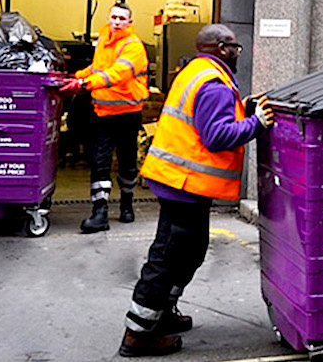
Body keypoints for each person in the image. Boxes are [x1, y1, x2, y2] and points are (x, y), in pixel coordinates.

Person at [117, 24, 274, 357]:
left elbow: (208, 119)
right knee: (170, 255)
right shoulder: (212, 83)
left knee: (190, 250)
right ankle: (139, 334)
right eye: (234, 47)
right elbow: (216, 136)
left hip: (181, 181)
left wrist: (243, 108)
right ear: (220, 47)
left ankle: (162, 313)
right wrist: (256, 124)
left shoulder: (197, 71)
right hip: (183, 183)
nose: (236, 53)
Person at [60, 0, 150, 233]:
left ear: (130, 22)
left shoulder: (133, 46)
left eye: (122, 18)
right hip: (103, 113)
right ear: (108, 18)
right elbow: (98, 68)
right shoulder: (104, 42)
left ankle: (127, 205)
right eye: (114, 17)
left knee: (127, 162)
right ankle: (99, 212)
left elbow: (117, 73)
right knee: (99, 161)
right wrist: (76, 77)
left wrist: (84, 84)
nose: (117, 22)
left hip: (127, 114)